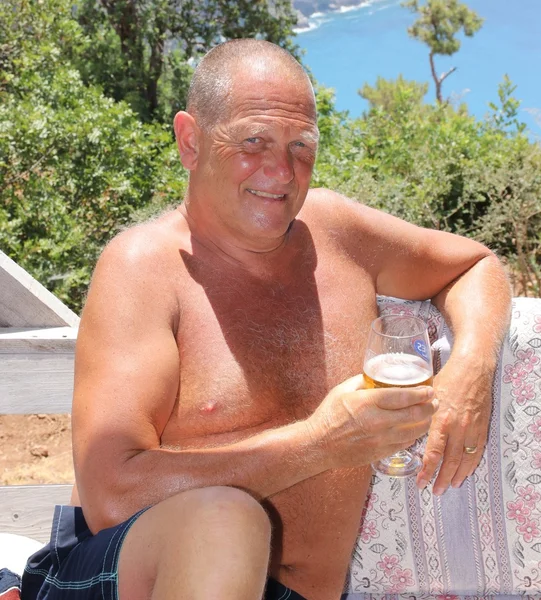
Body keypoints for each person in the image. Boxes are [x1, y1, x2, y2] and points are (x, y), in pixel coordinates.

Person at [22, 39, 511, 600]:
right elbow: (111, 497)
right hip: (127, 579)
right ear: (191, 141)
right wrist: (324, 442)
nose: (281, 171)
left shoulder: (337, 233)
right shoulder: (144, 267)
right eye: (253, 141)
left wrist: (470, 370)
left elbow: (476, 264)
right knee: (224, 522)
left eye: (300, 144)